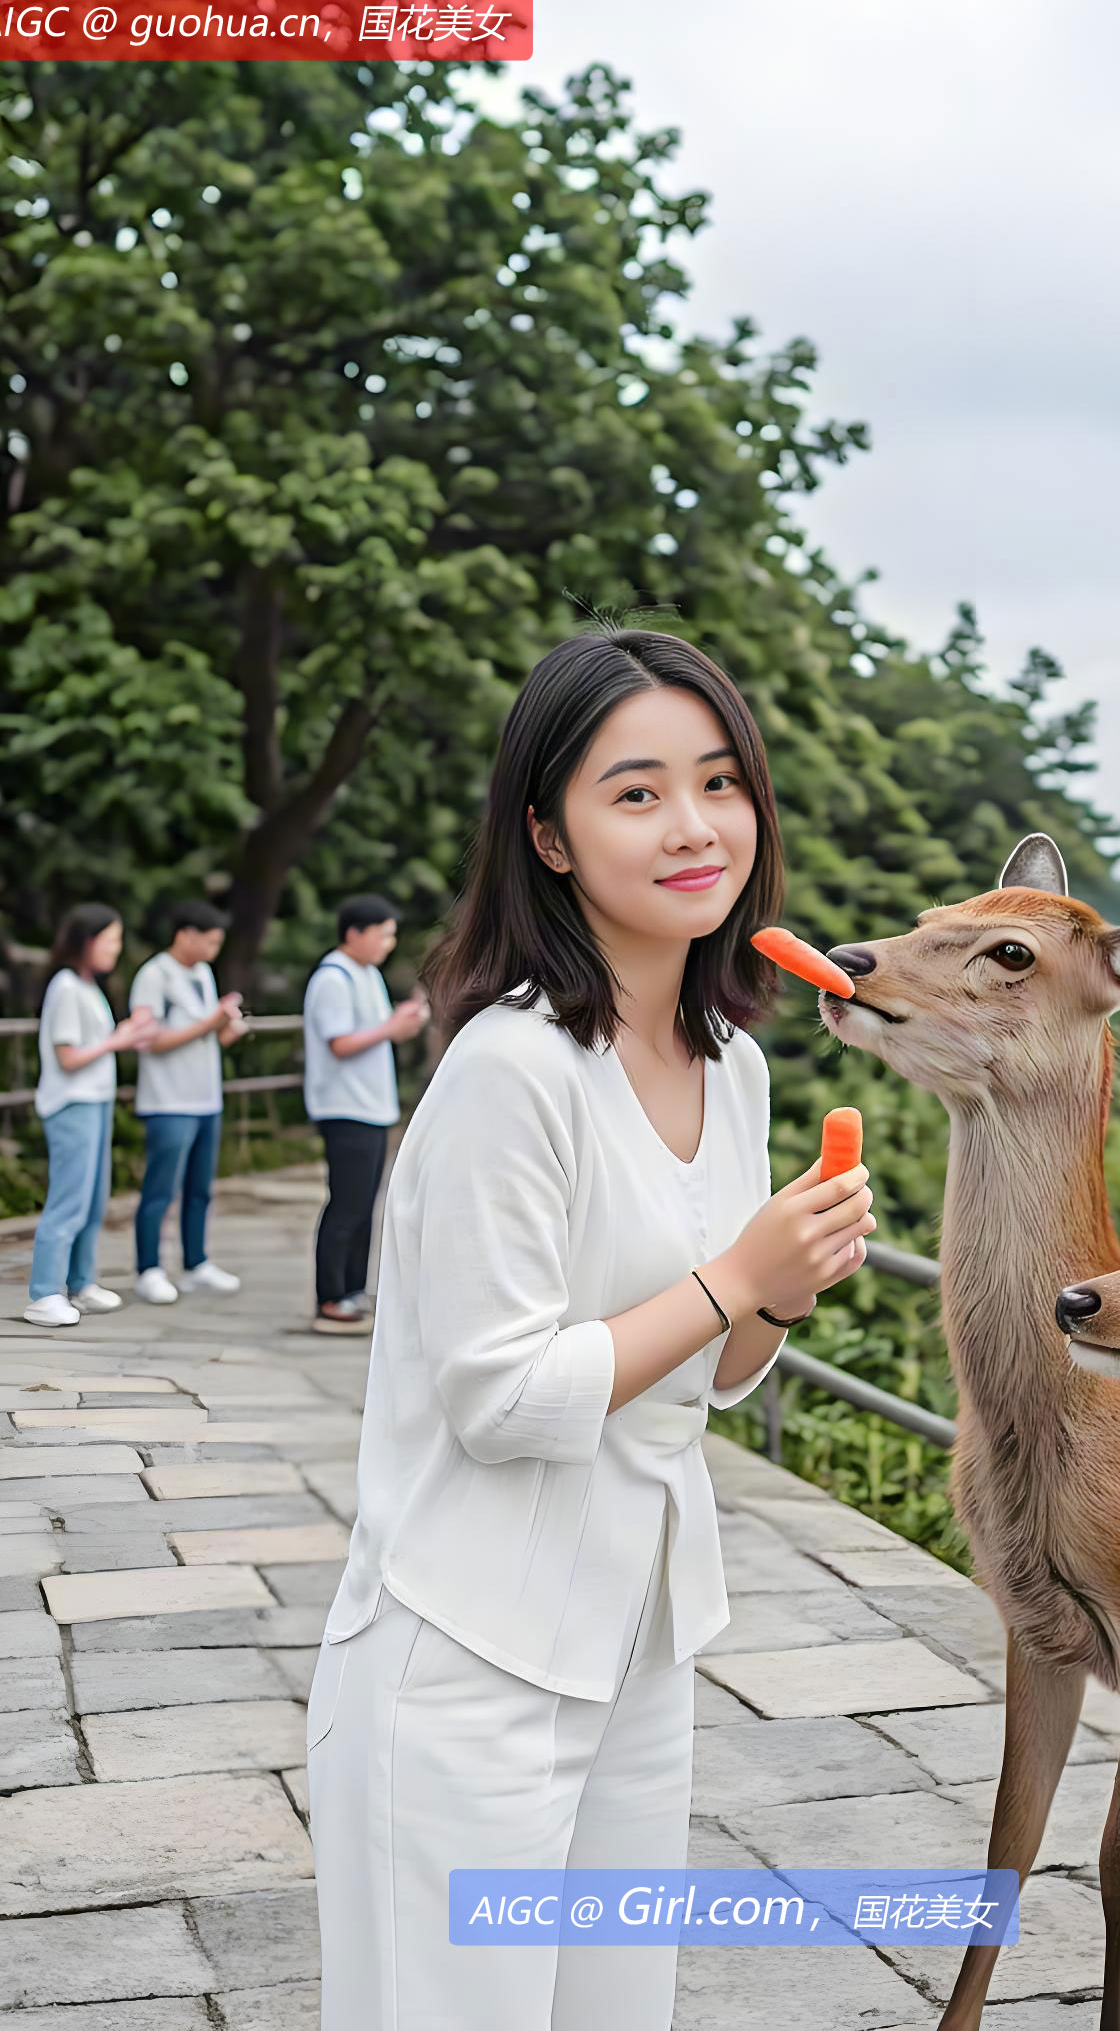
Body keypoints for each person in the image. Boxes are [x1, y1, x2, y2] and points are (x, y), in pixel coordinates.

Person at [303, 628, 874, 2031]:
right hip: (468, 1663)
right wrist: (736, 1275)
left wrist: (783, 1284)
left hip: (636, 1644)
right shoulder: (509, 1068)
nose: (694, 826)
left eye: (720, 782)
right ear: (548, 837)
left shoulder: (733, 1064)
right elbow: (500, 1398)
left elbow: (715, 1375)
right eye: (636, 792)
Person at [24, 903, 159, 1328]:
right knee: (68, 1200)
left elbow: (94, 1046)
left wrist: (124, 1035)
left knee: (93, 1199)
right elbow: (68, 1057)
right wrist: (117, 1040)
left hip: (95, 1101)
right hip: (72, 1103)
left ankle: (80, 1283)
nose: (116, 948)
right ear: (87, 940)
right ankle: (45, 1292)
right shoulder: (65, 986)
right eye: (111, 939)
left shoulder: (86, 986)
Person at [302, 895, 428, 1335]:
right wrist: (393, 1028)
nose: (388, 944)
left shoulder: (367, 974)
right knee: (347, 1203)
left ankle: (353, 1289)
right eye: (383, 934)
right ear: (354, 933)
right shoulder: (332, 978)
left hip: (371, 1106)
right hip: (344, 1107)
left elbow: (372, 1033)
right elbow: (340, 1043)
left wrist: (399, 1022)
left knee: (365, 1204)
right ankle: (330, 1297)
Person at [130, 897, 249, 1304]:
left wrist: (225, 1029)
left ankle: (196, 1263)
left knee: (200, 1188)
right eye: (210, 941)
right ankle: (149, 1268)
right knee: (160, 1189)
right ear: (184, 935)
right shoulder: (154, 976)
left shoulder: (202, 973)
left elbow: (200, 1035)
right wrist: (209, 1023)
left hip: (205, 1098)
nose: (214, 949)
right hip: (169, 1100)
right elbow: (149, 1040)